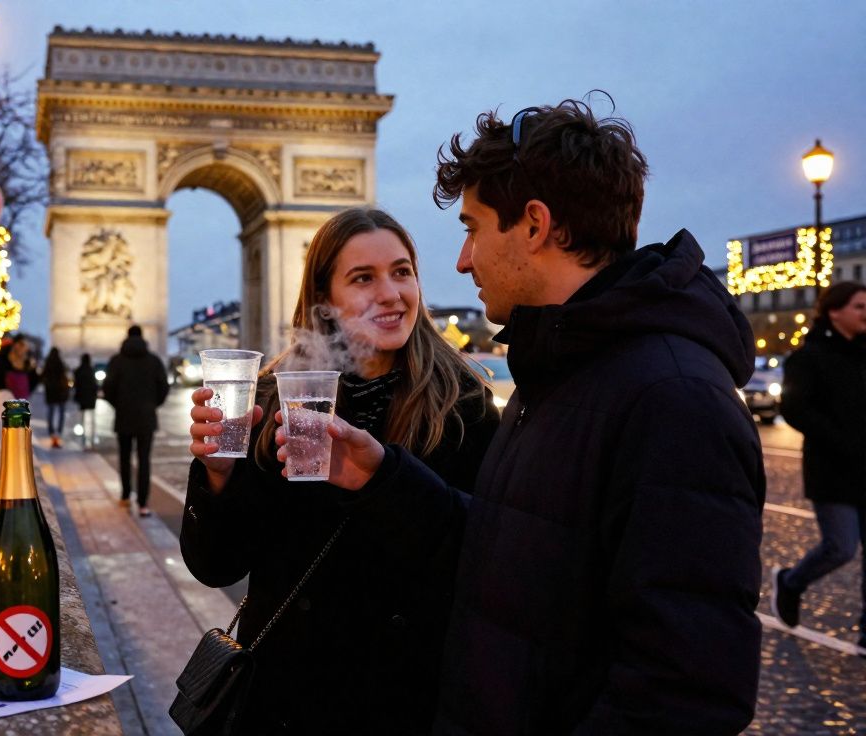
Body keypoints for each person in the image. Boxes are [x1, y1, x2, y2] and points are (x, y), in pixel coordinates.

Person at [300, 98, 766, 733]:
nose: (463, 260)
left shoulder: (677, 402)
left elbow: (683, 693)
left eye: (472, 227)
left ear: (535, 225)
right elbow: (514, 549)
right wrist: (385, 479)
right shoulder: (559, 372)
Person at [182, 208, 499, 732]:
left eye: (402, 271)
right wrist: (217, 476)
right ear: (324, 300)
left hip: (403, 700)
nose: (392, 293)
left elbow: (486, 552)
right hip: (284, 702)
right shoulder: (271, 396)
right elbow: (218, 567)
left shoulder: (463, 405)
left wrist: (384, 483)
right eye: (362, 278)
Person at [773, 281, 866, 656]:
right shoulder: (809, 357)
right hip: (833, 469)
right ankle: (792, 582)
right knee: (841, 546)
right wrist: (839, 439)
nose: (865, 314)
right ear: (834, 311)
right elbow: (794, 408)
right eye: (860, 307)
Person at [104, 326, 170, 517]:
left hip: (123, 416)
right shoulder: (154, 361)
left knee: (124, 458)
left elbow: (108, 388)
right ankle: (143, 503)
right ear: (142, 337)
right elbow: (164, 387)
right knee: (144, 460)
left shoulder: (116, 361)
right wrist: (152, 404)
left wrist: (118, 404)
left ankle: (125, 496)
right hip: (146, 418)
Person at [0, 334, 38, 400]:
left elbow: (32, 383)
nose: (24, 349)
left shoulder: (27, 364)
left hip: (20, 405)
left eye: (26, 346)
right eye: (21, 344)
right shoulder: (2, 360)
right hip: (0, 402)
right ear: (14, 344)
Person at [41, 347, 70, 448]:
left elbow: (43, 377)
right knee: (61, 413)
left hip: (50, 393)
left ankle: (51, 432)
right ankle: (59, 431)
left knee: (51, 413)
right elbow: (64, 377)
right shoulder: (60, 364)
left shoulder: (47, 364)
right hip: (60, 393)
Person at [73, 353, 99, 450]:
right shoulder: (91, 370)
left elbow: (76, 385)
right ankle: (92, 442)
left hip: (81, 398)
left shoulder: (78, 371)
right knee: (92, 420)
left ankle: (83, 442)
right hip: (91, 398)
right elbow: (94, 385)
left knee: (82, 420)